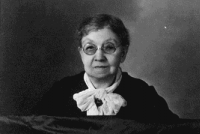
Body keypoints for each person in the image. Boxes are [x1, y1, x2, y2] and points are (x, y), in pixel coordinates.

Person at [33, 14, 179, 121]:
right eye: (90, 48)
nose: (99, 56)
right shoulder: (60, 93)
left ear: (123, 53)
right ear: (81, 53)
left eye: (109, 47)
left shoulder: (143, 95)